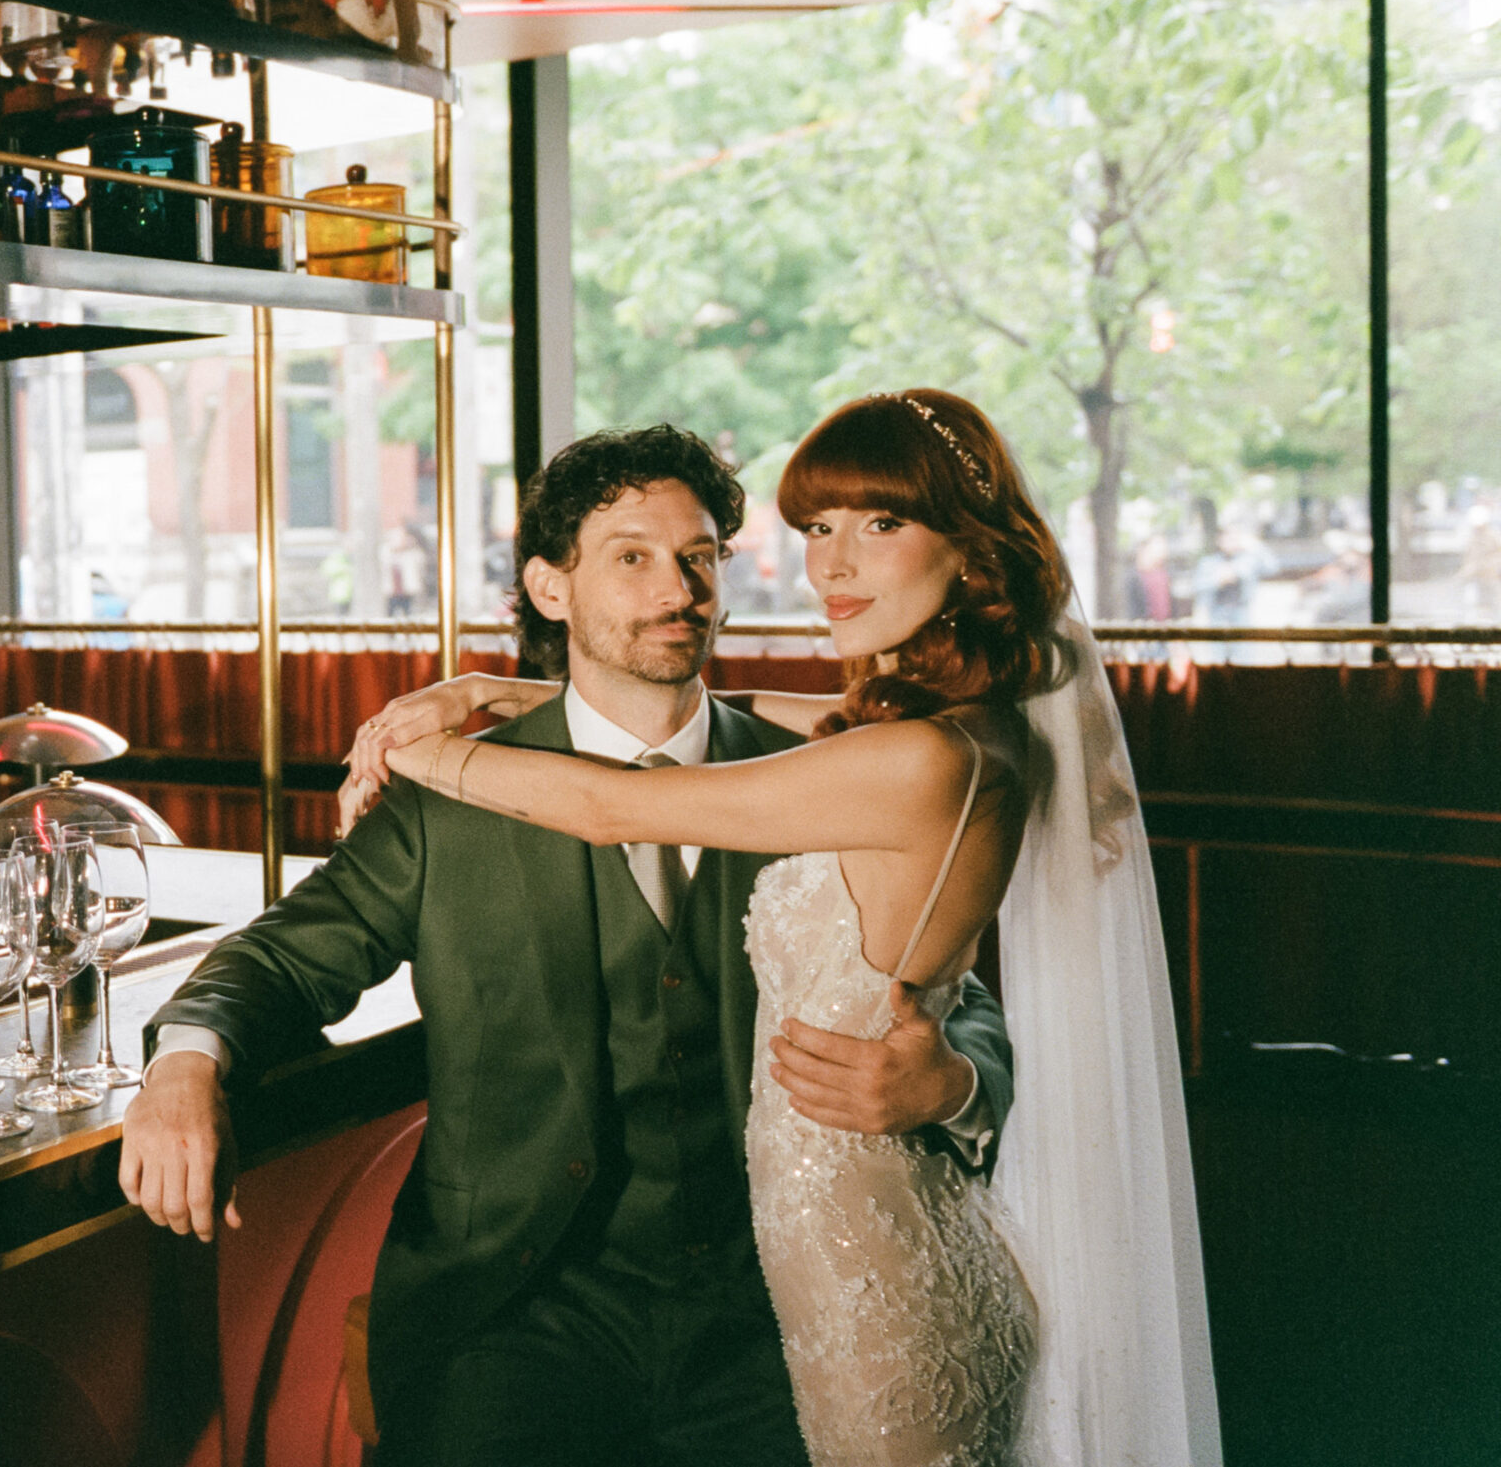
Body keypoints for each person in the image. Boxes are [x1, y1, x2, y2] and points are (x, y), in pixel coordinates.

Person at [119, 424, 1018, 1466]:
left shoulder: (821, 774)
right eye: (632, 556)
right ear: (551, 588)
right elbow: (280, 958)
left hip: (766, 1312)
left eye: (699, 556)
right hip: (514, 1309)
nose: (677, 588)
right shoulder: (447, 801)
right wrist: (184, 1063)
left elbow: (944, 989)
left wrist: (952, 1081)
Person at [349, 393, 1220, 1467]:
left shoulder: (917, 761)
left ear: (969, 550)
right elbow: (750, 711)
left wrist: (402, 747)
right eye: (816, 526)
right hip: (852, 1245)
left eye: (881, 523)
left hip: (875, 1279)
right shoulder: (960, 729)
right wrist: (493, 686)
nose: (833, 565)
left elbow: (614, 802)